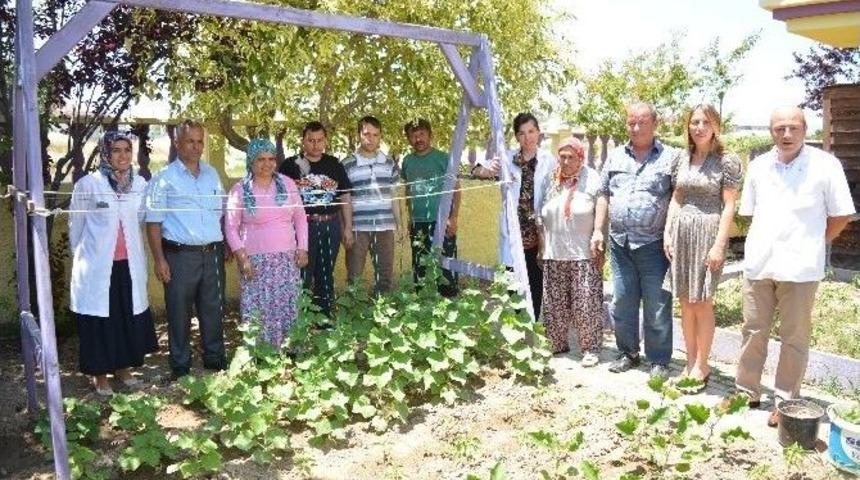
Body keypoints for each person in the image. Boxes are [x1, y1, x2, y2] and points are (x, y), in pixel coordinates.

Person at [730, 106, 854, 426]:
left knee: (794, 336)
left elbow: (841, 215)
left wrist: (816, 242)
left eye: (793, 128)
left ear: (804, 129)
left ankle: (785, 401)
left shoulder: (825, 165)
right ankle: (746, 391)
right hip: (760, 263)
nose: (786, 134)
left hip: (800, 267)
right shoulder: (758, 166)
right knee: (753, 329)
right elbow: (752, 212)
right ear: (771, 131)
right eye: (779, 128)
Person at [591, 102, 679, 379]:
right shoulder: (615, 156)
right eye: (631, 122)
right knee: (623, 301)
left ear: (655, 124)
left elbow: (678, 198)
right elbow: (604, 193)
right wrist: (597, 230)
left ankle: (659, 360)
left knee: (657, 303)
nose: (636, 128)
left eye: (642, 122)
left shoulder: (672, 158)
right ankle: (627, 352)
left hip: (654, 244)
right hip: (620, 243)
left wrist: (671, 233)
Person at [69, 130, 158, 395]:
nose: (123, 156)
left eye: (127, 150)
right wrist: (86, 260)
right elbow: (76, 228)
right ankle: (100, 377)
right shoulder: (88, 185)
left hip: (128, 265)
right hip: (97, 268)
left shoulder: (140, 184)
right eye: (116, 150)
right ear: (105, 153)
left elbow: (141, 219)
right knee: (100, 321)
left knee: (125, 317)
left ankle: (123, 369)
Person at [663, 104, 742, 389]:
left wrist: (720, 245)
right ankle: (690, 361)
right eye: (694, 122)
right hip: (682, 233)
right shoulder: (682, 158)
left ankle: (703, 365)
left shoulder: (726, 161)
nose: (699, 127)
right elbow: (677, 198)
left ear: (715, 126)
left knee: (703, 302)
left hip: (708, 232)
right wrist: (668, 233)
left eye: (705, 122)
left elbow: (730, 204)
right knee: (685, 302)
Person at [145, 120, 227, 379]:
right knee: (179, 311)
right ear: (177, 143)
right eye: (190, 141)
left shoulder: (212, 174)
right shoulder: (163, 179)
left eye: (200, 141)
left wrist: (223, 244)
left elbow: (222, 211)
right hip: (179, 256)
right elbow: (154, 222)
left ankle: (214, 359)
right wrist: (160, 260)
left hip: (211, 252)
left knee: (213, 308)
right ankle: (180, 365)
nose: (196, 146)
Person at [472, 112, 557, 318]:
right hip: (514, 231)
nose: (527, 137)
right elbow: (476, 170)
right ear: (516, 136)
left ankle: (532, 327)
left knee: (535, 282)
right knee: (513, 282)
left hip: (537, 233)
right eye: (521, 133)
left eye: (531, 132)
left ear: (538, 133)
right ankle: (520, 324)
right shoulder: (507, 158)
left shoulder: (549, 161)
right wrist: (487, 170)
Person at [226, 139, 308, 346]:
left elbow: (300, 217)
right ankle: (261, 353)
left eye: (271, 159)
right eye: (261, 159)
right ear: (251, 162)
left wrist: (303, 247)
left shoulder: (288, 184)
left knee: (286, 305)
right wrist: (242, 258)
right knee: (259, 307)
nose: (267, 164)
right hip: (255, 261)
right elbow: (230, 227)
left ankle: (289, 349)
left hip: (286, 260)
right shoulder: (239, 190)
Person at [537, 136, 604, 366]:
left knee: (585, 302)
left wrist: (599, 234)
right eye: (562, 157)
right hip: (554, 252)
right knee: (554, 303)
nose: (565, 162)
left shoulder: (591, 178)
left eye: (570, 157)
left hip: (583, 253)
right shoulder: (551, 181)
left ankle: (590, 349)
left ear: (580, 158)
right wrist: (542, 246)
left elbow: (602, 207)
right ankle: (556, 343)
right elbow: (540, 215)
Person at [279, 122, 353, 316]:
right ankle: (298, 321)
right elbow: (278, 198)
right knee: (301, 274)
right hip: (302, 228)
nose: (315, 144)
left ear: (325, 141)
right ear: (303, 141)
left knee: (325, 274)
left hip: (331, 224)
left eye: (320, 140)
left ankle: (325, 320)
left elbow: (345, 196)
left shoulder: (334, 164)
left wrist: (348, 228)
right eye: (311, 140)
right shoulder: (290, 165)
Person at [342, 115, 402, 295]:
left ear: (380, 136)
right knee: (354, 274)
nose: (371, 139)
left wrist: (399, 225)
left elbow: (394, 196)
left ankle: (383, 311)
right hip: (358, 228)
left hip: (385, 227)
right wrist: (347, 228)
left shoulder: (390, 163)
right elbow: (345, 198)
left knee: (385, 274)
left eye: (376, 135)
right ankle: (353, 313)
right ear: (359, 134)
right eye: (367, 134)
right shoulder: (347, 164)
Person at [401, 118, 460, 297]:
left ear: (430, 135)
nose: (418, 139)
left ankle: (449, 307)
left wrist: (454, 217)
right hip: (418, 223)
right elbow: (408, 191)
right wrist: (410, 219)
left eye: (421, 134)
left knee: (446, 266)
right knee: (419, 266)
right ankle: (423, 304)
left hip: (442, 222)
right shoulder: (407, 161)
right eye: (413, 135)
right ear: (409, 139)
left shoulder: (443, 158)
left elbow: (457, 190)